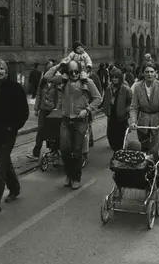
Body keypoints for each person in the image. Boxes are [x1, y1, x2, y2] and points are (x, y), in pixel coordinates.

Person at [43, 58, 102, 189]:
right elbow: (47, 76)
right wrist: (59, 65)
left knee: (77, 151)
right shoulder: (63, 80)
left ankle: (76, 177)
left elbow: (98, 98)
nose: (74, 74)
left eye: (76, 71)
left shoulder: (87, 82)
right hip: (66, 120)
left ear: (80, 71)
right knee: (64, 149)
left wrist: (87, 110)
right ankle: (69, 175)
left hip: (80, 121)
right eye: (71, 72)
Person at [0, 59, 29, 221]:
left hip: (8, 134)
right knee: (4, 162)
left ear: (7, 71)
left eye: (2, 69)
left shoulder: (15, 88)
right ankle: (15, 188)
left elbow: (23, 111)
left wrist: (13, 127)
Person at [129, 62, 159, 154]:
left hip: (157, 121)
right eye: (147, 72)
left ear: (155, 73)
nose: (149, 74)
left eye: (152, 72)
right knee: (143, 148)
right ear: (143, 73)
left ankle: (155, 161)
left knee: (155, 150)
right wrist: (133, 121)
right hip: (143, 121)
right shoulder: (138, 86)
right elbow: (134, 107)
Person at [30, 59, 60, 161]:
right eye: (47, 69)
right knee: (40, 130)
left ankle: (54, 150)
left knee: (54, 131)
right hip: (43, 109)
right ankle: (36, 154)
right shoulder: (42, 81)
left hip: (53, 110)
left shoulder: (57, 81)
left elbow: (60, 96)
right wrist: (36, 108)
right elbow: (38, 94)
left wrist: (57, 108)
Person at [103, 68, 133, 153]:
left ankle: (119, 153)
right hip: (111, 117)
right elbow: (105, 100)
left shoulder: (126, 89)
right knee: (110, 137)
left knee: (120, 139)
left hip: (121, 119)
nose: (114, 79)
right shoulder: (109, 89)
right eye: (113, 77)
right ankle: (116, 151)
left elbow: (131, 102)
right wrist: (105, 109)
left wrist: (125, 111)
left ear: (120, 78)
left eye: (116, 77)